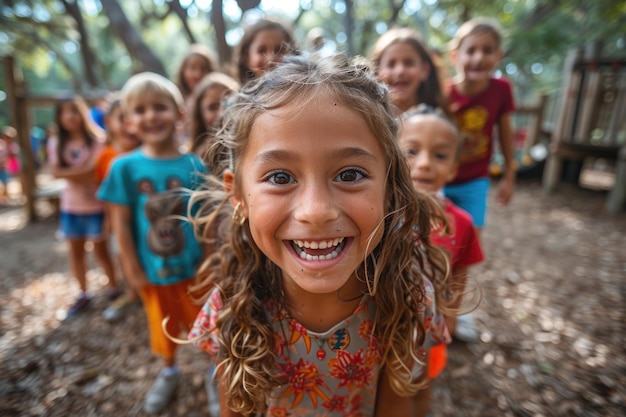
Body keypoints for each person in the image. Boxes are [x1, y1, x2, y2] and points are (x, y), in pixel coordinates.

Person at [187, 54, 451, 416]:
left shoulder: (408, 298)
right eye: (280, 177)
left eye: (349, 174)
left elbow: (403, 402)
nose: (316, 211)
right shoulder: (234, 308)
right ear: (238, 196)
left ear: (391, 187)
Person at [97, 72, 207, 414]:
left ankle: (215, 374)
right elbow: (120, 225)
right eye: (140, 110)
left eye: (159, 107)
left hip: (195, 270)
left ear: (179, 113)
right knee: (163, 327)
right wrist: (131, 270)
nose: (150, 116)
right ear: (129, 121)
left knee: (207, 325)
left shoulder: (194, 165)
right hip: (153, 270)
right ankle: (169, 372)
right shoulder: (123, 168)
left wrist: (211, 261)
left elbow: (205, 221)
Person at [398, 106, 484, 415]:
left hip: (428, 325)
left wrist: (449, 316)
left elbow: (459, 272)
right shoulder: (376, 213)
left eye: (440, 155)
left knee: (421, 382)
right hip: (380, 321)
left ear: (453, 168)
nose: (423, 164)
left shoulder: (461, 222)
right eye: (411, 150)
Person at [47, 96, 120, 317]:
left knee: (102, 251)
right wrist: (85, 172)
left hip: (97, 207)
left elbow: (93, 172)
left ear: (83, 113)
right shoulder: (56, 144)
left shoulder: (98, 140)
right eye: (65, 112)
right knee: (75, 251)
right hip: (71, 208)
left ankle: (114, 288)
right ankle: (83, 293)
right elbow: (56, 172)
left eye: (74, 111)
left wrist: (72, 174)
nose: (70, 116)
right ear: (59, 117)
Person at [445, 17, 516, 224]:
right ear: (455, 56)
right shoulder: (443, 93)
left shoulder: (502, 90)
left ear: (498, 56)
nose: (478, 57)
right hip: (439, 178)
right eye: (471, 50)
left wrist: (509, 175)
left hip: (475, 180)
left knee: (471, 236)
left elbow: (505, 134)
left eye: (487, 50)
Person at [95, 96, 142, 321]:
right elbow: (105, 194)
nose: (128, 124)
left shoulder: (148, 154)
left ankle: (144, 291)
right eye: (121, 118)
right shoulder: (107, 156)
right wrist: (107, 220)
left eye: (131, 117)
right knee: (122, 254)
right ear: (109, 122)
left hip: (144, 219)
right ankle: (131, 292)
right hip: (118, 218)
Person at [371, 28, 447, 116]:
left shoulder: (436, 120)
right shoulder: (368, 119)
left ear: (424, 70)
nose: (400, 71)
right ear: (377, 70)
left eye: (409, 63)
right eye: (391, 64)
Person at [187, 72, 240, 168]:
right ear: (200, 114)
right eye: (213, 107)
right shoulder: (194, 158)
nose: (221, 113)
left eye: (227, 103)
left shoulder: (245, 146)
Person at [233, 17, 298, 85]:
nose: (271, 59)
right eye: (261, 51)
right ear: (246, 57)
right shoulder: (235, 95)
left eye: (279, 50)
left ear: (292, 53)